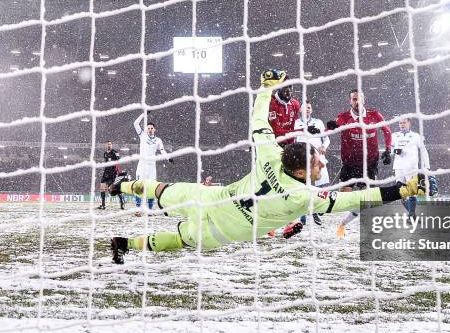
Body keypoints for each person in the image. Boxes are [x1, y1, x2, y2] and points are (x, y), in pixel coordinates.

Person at [109, 70, 428, 264]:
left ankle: (120, 185)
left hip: (208, 198)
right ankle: (126, 244)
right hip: (218, 231)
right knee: (178, 240)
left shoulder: (269, 157)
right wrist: (401, 189)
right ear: (302, 172)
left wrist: (266, 87)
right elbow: (358, 198)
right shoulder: (303, 197)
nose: (321, 161)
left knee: (160, 190)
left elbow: (258, 120)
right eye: (316, 160)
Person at [327, 89, 392, 238]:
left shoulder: (374, 115)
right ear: (350, 101)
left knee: (366, 201)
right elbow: (330, 128)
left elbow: (387, 131)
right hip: (349, 164)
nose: (357, 102)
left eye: (359, 98)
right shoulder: (343, 117)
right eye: (354, 99)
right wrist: (328, 128)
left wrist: (388, 150)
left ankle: (345, 225)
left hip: (369, 164)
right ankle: (341, 220)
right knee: (345, 198)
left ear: (364, 99)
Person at [293, 101, 330, 226]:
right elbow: (292, 139)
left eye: (309, 107)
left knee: (324, 185)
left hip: (318, 158)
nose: (307, 110)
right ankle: (302, 216)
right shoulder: (295, 123)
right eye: (305, 108)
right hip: (303, 158)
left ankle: (316, 209)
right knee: (302, 187)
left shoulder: (318, 122)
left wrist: (324, 147)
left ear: (311, 110)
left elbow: (326, 138)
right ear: (300, 110)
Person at [133, 112, 174, 216]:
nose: (150, 129)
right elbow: (135, 123)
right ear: (146, 129)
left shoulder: (158, 140)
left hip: (151, 166)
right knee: (139, 186)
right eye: (148, 128)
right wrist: (143, 114)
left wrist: (168, 158)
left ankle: (150, 210)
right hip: (142, 165)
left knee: (151, 187)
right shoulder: (142, 136)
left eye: (152, 128)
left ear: (154, 129)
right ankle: (138, 209)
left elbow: (162, 150)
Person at [391, 117, 431, 218]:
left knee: (412, 192)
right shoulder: (394, 136)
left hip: (411, 168)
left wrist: (427, 166)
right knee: (401, 192)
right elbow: (390, 149)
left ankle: (411, 214)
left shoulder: (416, 136)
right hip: (398, 167)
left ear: (409, 123)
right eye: (400, 123)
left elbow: (423, 150)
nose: (402, 125)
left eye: (404, 122)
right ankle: (411, 213)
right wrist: (395, 150)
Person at [268, 76, 300, 146]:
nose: (288, 90)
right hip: (273, 146)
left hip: (290, 147)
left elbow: (296, 126)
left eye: (290, 86)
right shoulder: (271, 103)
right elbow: (276, 132)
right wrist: (302, 131)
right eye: (285, 87)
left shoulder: (295, 104)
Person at [97, 141, 125, 210]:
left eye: (110, 144)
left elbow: (119, 161)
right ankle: (103, 205)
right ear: (106, 146)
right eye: (108, 144)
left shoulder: (115, 152)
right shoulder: (105, 153)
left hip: (113, 173)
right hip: (106, 172)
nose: (109, 145)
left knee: (114, 189)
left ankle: (122, 202)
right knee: (102, 187)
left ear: (111, 145)